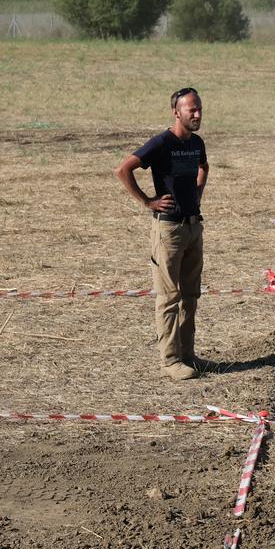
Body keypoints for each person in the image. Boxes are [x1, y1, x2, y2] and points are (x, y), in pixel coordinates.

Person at [114, 87, 209, 380]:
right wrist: (148, 201)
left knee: (190, 296)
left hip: (193, 226)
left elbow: (204, 166)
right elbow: (123, 169)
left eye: (199, 108)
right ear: (176, 112)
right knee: (169, 296)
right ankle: (169, 361)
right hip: (169, 229)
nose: (197, 114)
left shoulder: (197, 143)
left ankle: (187, 354)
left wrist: (198, 193)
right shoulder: (161, 143)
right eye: (191, 109)